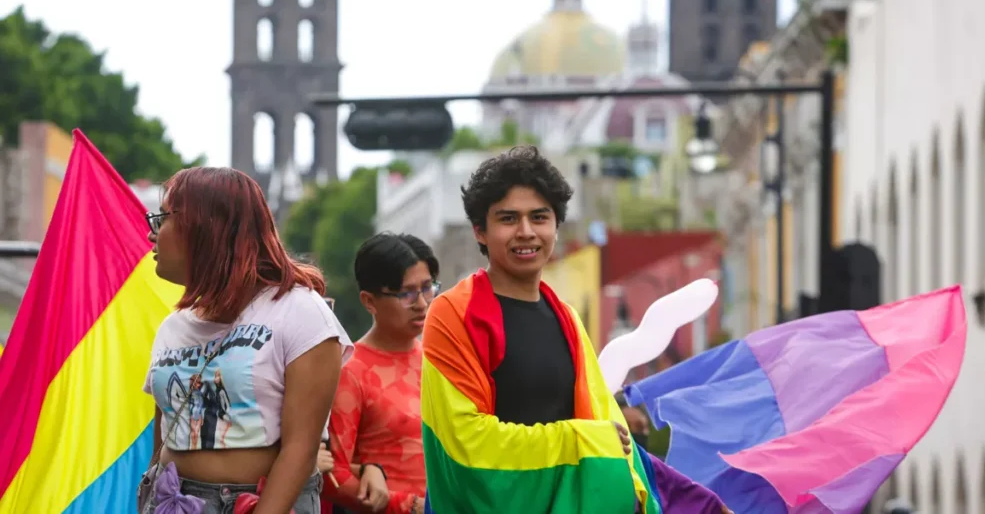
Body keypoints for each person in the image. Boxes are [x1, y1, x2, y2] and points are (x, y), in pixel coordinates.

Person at [419, 146, 730, 513]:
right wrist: (579, 440)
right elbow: (464, 446)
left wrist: (699, 504)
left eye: (539, 217)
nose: (526, 232)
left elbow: (614, 441)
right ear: (480, 231)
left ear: (555, 225)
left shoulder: (566, 318)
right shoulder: (453, 314)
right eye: (507, 219)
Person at [141, 167, 365, 514]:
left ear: (204, 226)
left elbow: (301, 449)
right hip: (173, 501)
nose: (152, 233)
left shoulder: (301, 312)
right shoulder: (172, 327)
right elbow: (165, 429)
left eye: (163, 218)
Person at [322, 233, 434, 514]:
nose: (421, 303)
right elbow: (331, 474)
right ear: (369, 301)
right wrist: (410, 506)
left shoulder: (440, 361)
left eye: (428, 287)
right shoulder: (351, 370)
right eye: (406, 293)